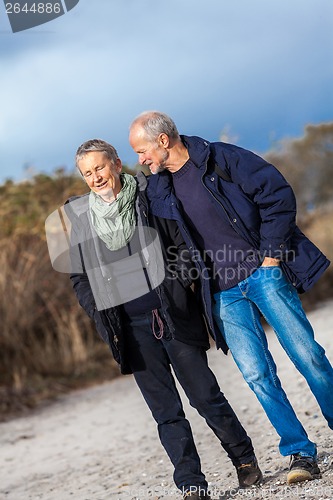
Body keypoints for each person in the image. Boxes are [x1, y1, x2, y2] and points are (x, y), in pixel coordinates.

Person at [129, 111, 333, 485]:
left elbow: (277, 194)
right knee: (257, 375)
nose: (140, 160)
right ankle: (300, 452)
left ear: (162, 141)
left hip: (263, 273)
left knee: (308, 356)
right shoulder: (158, 188)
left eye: (142, 151)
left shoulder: (221, 157)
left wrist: (271, 256)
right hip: (222, 294)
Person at [64, 139, 263, 500]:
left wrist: (178, 282)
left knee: (206, 396)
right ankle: (191, 483)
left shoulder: (148, 195)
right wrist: (95, 308)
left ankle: (244, 459)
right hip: (130, 330)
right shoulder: (82, 219)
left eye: (100, 168)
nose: (95, 178)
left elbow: (180, 243)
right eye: (87, 173)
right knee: (166, 413)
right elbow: (79, 276)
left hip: (172, 316)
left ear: (116, 164)